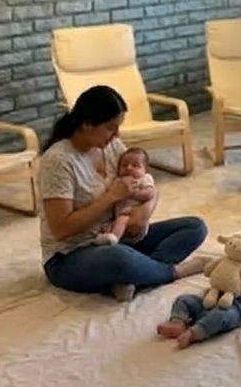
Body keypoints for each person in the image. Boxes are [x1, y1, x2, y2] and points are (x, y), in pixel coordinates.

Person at [39, 85, 209, 301]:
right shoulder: (58, 160)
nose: (116, 135)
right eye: (111, 128)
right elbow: (61, 229)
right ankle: (168, 272)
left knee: (194, 227)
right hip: (71, 255)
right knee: (119, 258)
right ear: (87, 124)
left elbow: (147, 185)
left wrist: (144, 212)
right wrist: (110, 197)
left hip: (119, 237)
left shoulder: (110, 146)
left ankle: (133, 276)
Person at [95, 147, 155, 246]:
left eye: (135, 165)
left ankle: (113, 239)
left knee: (122, 219)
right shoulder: (119, 180)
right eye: (124, 165)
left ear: (145, 170)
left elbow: (150, 194)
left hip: (132, 216)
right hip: (117, 216)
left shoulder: (144, 178)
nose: (129, 168)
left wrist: (133, 194)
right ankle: (109, 239)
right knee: (108, 225)